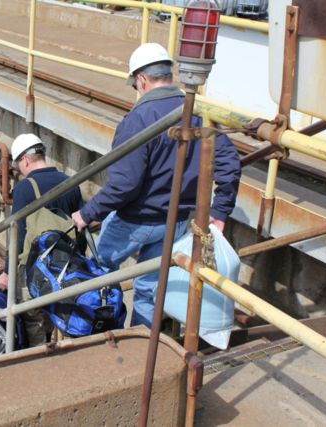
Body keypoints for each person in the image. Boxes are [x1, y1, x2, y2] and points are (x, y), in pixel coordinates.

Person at [71, 43, 241, 328]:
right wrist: (220, 210)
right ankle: (141, 339)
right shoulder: (198, 112)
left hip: (135, 220)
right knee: (149, 288)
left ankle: (95, 329)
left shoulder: (139, 119)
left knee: (97, 271)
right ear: (170, 75)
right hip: (175, 221)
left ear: (141, 80)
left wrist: (87, 213)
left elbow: (124, 184)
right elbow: (230, 163)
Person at [0, 133, 83, 346]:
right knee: (59, 312)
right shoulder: (70, 182)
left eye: (18, 165)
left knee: (34, 320)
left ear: (25, 160)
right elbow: (79, 226)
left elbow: (18, 234)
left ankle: (40, 355)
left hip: (35, 269)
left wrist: (7, 272)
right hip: (65, 266)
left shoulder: (25, 188)